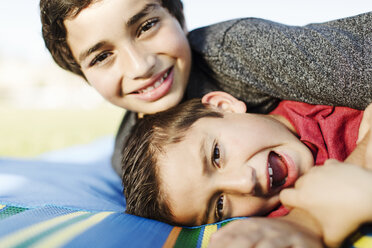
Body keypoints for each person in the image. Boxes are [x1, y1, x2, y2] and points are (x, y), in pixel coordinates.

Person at [39, 0, 372, 175]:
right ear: (83, 75)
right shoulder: (125, 157)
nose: (140, 66)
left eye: (148, 25)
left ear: (179, 19)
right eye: (101, 57)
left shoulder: (231, 50)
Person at [121, 91, 372, 247]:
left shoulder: (317, 94)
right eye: (219, 205)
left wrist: (313, 217)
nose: (244, 183)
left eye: (216, 155)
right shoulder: (280, 220)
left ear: (223, 106)